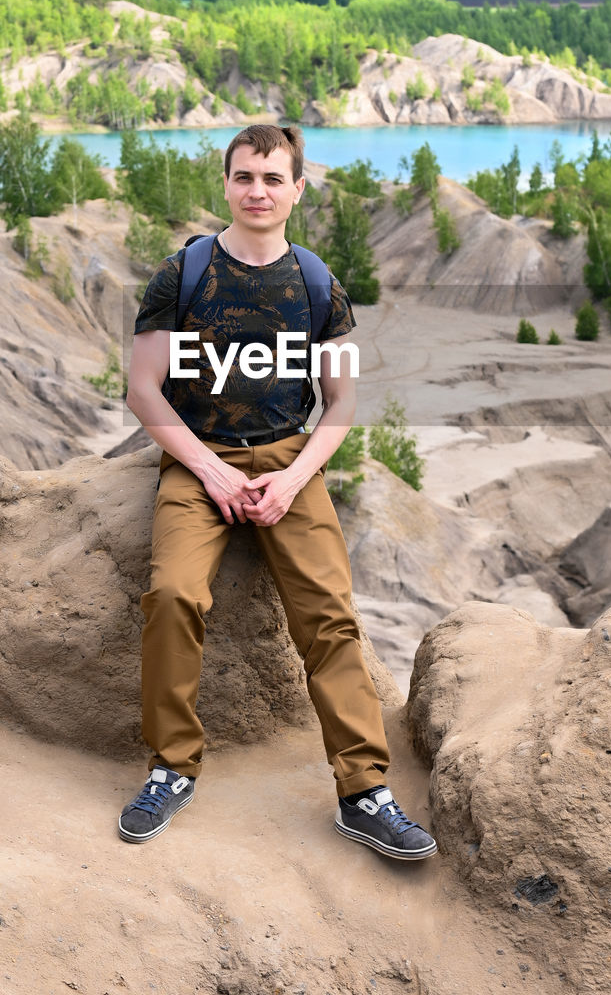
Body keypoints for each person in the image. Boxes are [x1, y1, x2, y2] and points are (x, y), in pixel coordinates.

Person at [118, 123, 436, 861]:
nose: (256, 191)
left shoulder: (318, 285)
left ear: (297, 188)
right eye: (243, 177)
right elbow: (143, 390)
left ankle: (363, 792)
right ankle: (171, 767)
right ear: (225, 184)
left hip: (290, 459)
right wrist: (211, 469)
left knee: (328, 617)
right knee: (171, 596)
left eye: (272, 179)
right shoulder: (183, 274)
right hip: (197, 461)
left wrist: (292, 477)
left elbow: (341, 404)